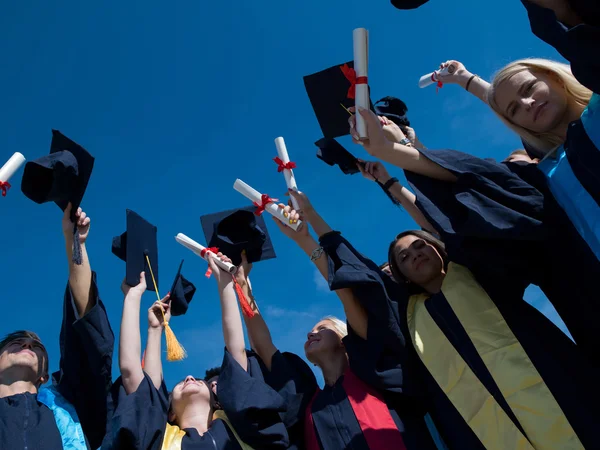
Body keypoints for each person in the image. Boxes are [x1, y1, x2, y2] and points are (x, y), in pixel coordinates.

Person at [349, 100, 600, 366]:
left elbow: (466, 177)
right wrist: (393, 162)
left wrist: (397, 148)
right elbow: (447, 207)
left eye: (517, 164)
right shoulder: (522, 240)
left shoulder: (561, 178)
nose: (509, 171)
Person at [315, 216, 599, 448]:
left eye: (420, 246)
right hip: (480, 428)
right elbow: (362, 282)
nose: (415, 255)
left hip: (556, 388)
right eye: (403, 257)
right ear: (401, 276)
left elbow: (449, 221)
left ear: (437, 247)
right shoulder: (409, 319)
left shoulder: (477, 273)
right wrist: (314, 229)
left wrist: (390, 179)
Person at [235, 189, 442, 450]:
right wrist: (241, 285)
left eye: (322, 328)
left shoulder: (376, 372)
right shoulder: (309, 404)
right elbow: (264, 347)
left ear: (345, 340)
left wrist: (305, 240)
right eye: (312, 330)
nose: (310, 333)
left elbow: (347, 295)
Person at [102, 251, 289, 450]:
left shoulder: (240, 427)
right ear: (170, 413)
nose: (190, 377)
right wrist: (139, 306)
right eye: (182, 382)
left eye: (199, 381)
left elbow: (238, 354)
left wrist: (225, 282)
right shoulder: (161, 440)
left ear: (218, 402)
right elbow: (134, 376)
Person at [0, 204, 114, 449]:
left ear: (44, 374)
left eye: (37, 347)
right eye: (15, 341)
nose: (27, 343)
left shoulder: (67, 407)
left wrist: (75, 243)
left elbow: (86, 334)